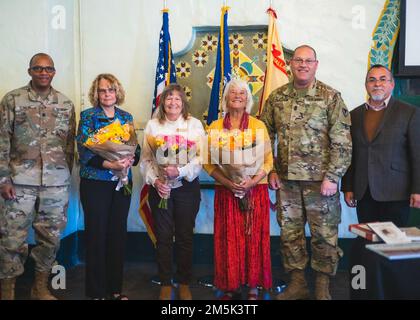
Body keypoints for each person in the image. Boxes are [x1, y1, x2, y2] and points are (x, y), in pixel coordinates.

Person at [261, 45, 352, 300]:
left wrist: (333, 177)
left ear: (316, 64)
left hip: (321, 183)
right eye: (298, 60)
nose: (303, 64)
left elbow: (342, 141)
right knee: (290, 233)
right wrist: (271, 171)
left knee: (324, 234)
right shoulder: (277, 98)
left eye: (308, 61)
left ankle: (322, 285)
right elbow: (265, 137)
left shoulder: (330, 97)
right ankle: (297, 282)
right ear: (291, 64)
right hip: (286, 182)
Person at [0, 53, 76, 300]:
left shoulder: (65, 104)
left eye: (48, 69)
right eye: (38, 68)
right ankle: (7, 290)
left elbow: (69, 146)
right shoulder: (12, 100)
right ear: (30, 71)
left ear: (54, 72)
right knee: (12, 238)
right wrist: (3, 178)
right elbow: (2, 140)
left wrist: (64, 179)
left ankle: (39, 287)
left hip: (55, 184)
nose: (44, 73)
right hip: (19, 182)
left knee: (51, 239)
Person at [204, 78, 273, 300]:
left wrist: (251, 181)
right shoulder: (215, 127)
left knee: (253, 237)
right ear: (225, 98)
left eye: (242, 94)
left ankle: (253, 285)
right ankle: (229, 284)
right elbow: (207, 162)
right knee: (228, 238)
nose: (237, 96)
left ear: (247, 100)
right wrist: (228, 181)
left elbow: (268, 161)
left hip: (255, 190)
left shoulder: (258, 125)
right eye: (233, 93)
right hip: (226, 190)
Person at [76, 74, 140, 300]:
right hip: (95, 184)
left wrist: (129, 160)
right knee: (96, 235)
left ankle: (115, 290)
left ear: (117, 92)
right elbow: (84, 154)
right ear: (96, 93)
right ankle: (96, 292)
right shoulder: (88, 117)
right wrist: (110, 163)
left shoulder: (126, 117)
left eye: (111, 90)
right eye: (102, 90)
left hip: (122, 183)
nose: (107, 94)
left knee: (117, 235)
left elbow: (137, 150)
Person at [140, 83, 204, 300]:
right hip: (162, 188)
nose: (173, 102)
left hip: (186, 187)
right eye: (169, 98)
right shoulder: (152, 126)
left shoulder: (194, 125)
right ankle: (165, 281)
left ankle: (184, 280)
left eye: (177, 98)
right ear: (162, 102)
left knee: (185, 235)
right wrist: (156, 180)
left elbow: (200, 158)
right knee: (164, 236)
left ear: (183, 102)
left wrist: (181, 171)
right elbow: (146, 159)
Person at [342, 64, 420, 226]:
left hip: (397, 192)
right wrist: (348, 187)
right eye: (372, 80)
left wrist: (417, 189)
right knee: (367, 241)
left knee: (393, 245)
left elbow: (417, 155)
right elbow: (350, 154)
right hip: (364, 192)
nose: (377, 84)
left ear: (392, 84)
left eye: (383, 79)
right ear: (366, 86)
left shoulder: (410, 113)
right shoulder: (354, 115)